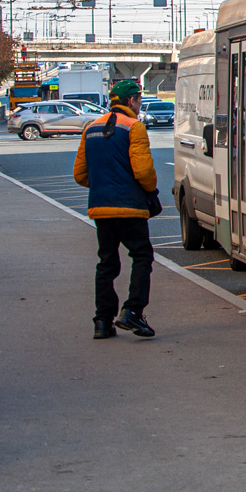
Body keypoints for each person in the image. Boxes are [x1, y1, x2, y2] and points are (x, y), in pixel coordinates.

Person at [74, 80, 158, 339]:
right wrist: (147, 189)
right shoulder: (134, 127)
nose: (140, 104)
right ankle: (133, 311)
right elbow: (143, 172)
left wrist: (103, 183)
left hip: (101, 208)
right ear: (132, 101)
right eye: (139, 100)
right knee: (142, 256)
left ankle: (102, 320)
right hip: (130, 207)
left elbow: (80, 174)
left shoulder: (91, 127)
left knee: (107, 263)